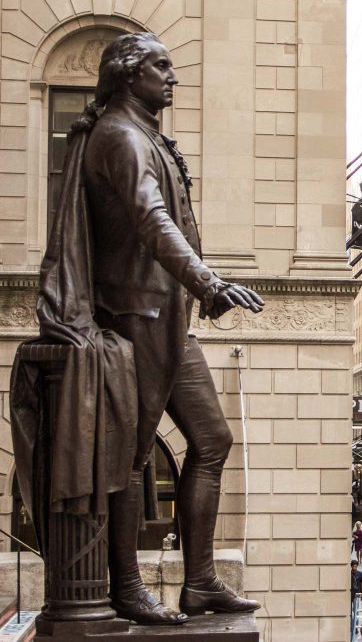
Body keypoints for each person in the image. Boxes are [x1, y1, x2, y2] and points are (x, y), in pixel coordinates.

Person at [39, 32, 267, 625]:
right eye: (160, 67)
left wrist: (197, 289)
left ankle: (199, 583)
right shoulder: (118, 134)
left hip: (167, 318)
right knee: (129, 457)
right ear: (127, 73)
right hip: (137, 316)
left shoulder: (140, 132)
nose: (172, 76)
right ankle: (127, 587)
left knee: (211, 440)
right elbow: (151, 217)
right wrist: (209, 282)